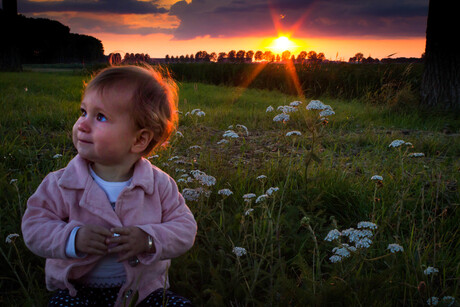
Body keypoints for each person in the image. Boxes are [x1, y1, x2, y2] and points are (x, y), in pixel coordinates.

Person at [21, 65, 197, 307]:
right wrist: (73, 238)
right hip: (77, 291)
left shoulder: (159, 184)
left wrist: (148, 239)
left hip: (143, 292)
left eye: (100, 117)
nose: (82, 124)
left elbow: (185, 228)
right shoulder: (61, 183)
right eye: (83, 112)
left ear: (139, 140)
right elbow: (34, 226)